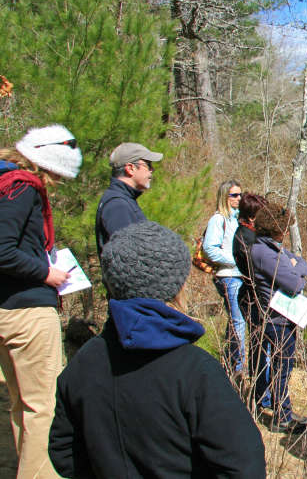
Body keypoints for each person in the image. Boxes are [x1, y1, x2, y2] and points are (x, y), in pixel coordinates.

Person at [48, 221, 266, 478]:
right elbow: (244, 465)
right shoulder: (196, 371)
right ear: (176, 287)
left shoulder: (83, 362)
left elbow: (64, 453)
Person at [0, 124, 81, 478]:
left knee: (23, 406)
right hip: (27, 312)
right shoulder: (22, 188)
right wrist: (47, 273)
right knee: (44, 408)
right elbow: (3, 250)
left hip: (9, 306)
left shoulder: (6, 184)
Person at [250, 202, 307, 433]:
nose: (286, 232)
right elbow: (295, 283)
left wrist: (297, 266)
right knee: (281, 368)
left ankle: (283, 410)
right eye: (284, 228)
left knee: (282, 367)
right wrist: (297, 271)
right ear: (274, 228)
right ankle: (281, 418)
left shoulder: (273, 248)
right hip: (276, 319)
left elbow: (301, 264)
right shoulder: (264, 252)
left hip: (284, 317)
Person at [202, 179, 245, 374]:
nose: (239, 198)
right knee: (239, 321)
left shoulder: (238, 219)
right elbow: (209, 248)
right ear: (224, 197)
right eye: (234, 195)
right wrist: (236, 261)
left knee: (237, 321)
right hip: (228, 276)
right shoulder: (218, 219)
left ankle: (229, 361)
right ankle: (239, 368)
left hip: (240, 276)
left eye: (240, 194)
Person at [232, 192, 270, 409]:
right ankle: (261, 397)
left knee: (263, 350)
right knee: (259, 351)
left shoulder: (253, 235)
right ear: (252, 216)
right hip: (253, 300)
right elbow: (257, 272)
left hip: (257, 298)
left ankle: (265, 395)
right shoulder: (244, 239)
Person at [95, 142, 163, 256]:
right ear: (130, 168)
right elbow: (128, 257)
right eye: (148, 165)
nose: (152, 170)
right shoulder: (117, 205)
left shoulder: (122, 199)